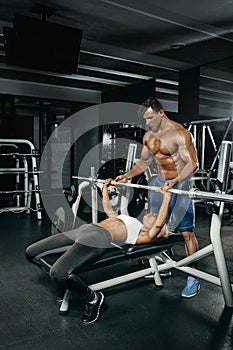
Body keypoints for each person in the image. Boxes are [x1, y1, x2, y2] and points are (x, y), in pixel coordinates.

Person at [25, 178, 172, 324]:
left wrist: (167, 196)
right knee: (31, 252)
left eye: (156, 217)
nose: (153, 214)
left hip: (98, 238)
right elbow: (109, 210)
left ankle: (93, 298)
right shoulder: (131, 220)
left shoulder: (143, 236)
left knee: (58, 273)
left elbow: (159, 224)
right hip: (84, 230)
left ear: (158, 232)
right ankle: (65, 284)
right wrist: (106, 188)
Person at [115, 97, 200, 299]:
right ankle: (165, 265)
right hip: (158, 184)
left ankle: (193, 277)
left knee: (186, 233)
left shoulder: (180, 134)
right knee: (157, 228)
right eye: (145, 120)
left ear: (161, 113)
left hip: (180, 184)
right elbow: (144, 163)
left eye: (151, 118)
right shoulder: (149, 137)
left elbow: (193, 164)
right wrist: (127, 175)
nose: (148, 123)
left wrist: (176, 180)